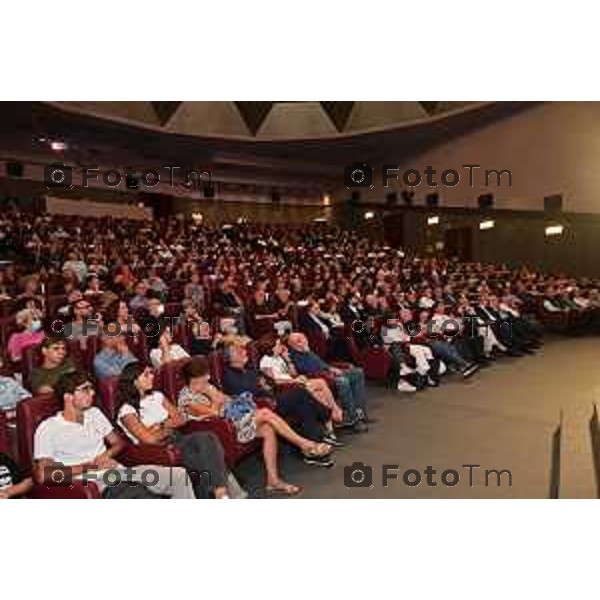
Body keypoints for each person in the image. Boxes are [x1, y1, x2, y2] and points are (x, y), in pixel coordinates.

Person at [179, 357, 332, 495]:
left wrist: (229, 400)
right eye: (205, 375)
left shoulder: (208, 387)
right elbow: (214, 413)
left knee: (267, 429)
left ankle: (273, 480)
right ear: (194, 378)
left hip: (234, 421)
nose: (209, 377)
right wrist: (216, 399)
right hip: (218, 431)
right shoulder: (186, 398)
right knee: (265, 413)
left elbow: (228, 400)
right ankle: (305, 444)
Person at [33, 370, 194, 499]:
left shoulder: (94, 413)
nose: (92, 393)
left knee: (179, 476)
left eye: (92, 388)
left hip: (118, 471)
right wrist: (92, 466)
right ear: (67, 396)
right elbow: (43, 474)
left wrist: (107, 455)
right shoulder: (48, 427)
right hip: (91, 483)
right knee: (139, 495)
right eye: (85, 389)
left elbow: (118, 443)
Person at [115, 362, 233, 499]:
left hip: (178, 438)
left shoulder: (157, 396)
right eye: (146, 374)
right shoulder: (126, 410)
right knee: (205, 460)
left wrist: (160, 425)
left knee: (208, 437)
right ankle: (222, 495)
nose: (152, 376)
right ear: (134, 381)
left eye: (151, 373)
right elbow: (149, 439)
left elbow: (180, 419)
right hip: (158, 450)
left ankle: (220, 493)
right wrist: (167, 426)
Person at [221, 338, 337, 453]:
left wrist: (264, 383)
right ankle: (327, 414)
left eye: (243, 349)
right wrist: (262, 385)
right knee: (300, 393)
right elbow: (248, 394)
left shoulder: (249, 369)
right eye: (238, 351)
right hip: (262, 407)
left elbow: (269, 382)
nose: (244, 352)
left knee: (302, 405)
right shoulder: (229, 376)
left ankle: (313, 445)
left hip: (273, 397)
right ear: (229, 358)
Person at [259, 337, 344, 443]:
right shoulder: (265, 361)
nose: (280, 346)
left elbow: (293, 373)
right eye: (277, 344)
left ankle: (329, 431)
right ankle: (334, 412)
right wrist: (293, 381)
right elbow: (273, 382)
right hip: (286, 388)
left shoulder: (279, 358)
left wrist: (288, 360)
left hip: (294, 382)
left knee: (319, 393)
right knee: (320, 383)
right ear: (270, 348)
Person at [286, 332, 370, 432]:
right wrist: (329, 373)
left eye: (303, 337)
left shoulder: (307, 350)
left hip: (328, 373)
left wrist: (331, 368)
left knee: (358, 372)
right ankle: (352, 418)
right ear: (292, 345)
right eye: (298, 340)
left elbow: (321, 364)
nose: (303, 340)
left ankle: (360, 412)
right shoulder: (294, 355)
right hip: (320, 378)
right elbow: (309, 370)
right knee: (342, 381)